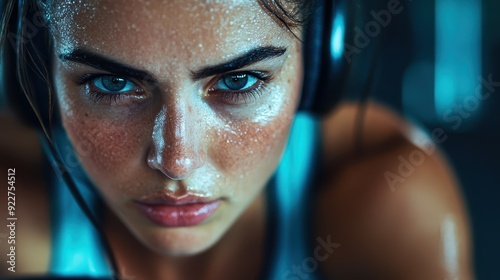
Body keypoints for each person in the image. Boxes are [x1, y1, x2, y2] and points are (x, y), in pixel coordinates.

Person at [0, 0, 473, 279]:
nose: (177, 162)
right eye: (113, 84)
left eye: (239, 82)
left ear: (316, 68)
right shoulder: (13, 206)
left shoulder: (386, 193)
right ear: (41, 79)